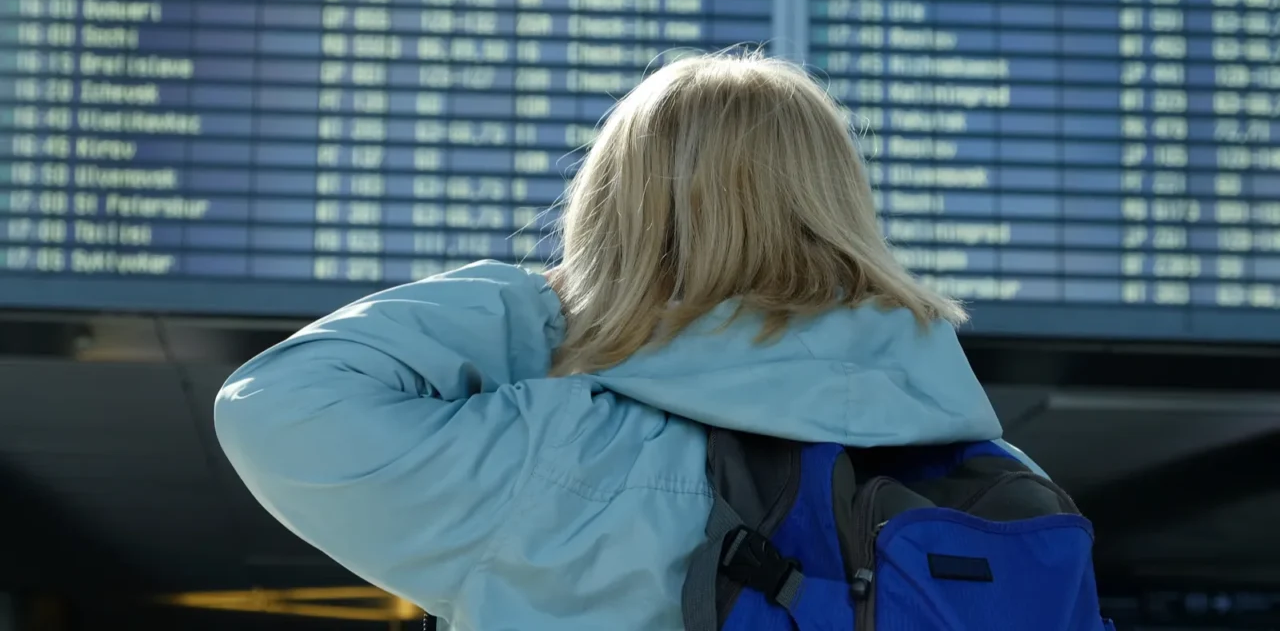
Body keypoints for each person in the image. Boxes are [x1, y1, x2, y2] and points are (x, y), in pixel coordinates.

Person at [214, 51, 1042, 630]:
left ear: (620, 213)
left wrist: (565, 300)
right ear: (841, 206)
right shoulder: (1002, 479)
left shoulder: (557, 458)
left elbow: (277, 403)